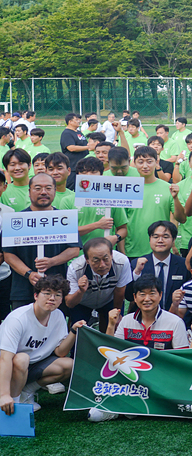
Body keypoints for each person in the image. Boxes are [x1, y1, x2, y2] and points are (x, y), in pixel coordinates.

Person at [0, 276, 84, 415]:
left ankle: (26, 393)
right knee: (22, 359)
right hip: (8, 367)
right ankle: (15, 403)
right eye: (47, 293)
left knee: (68, 365)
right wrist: (3, 395)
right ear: (35, 296)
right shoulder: (18, 319)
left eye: (57, 295)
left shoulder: (58, 315)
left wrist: (73, 331)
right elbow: (5, 359)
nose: (52, 298)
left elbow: (60, 352)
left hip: (32, 366)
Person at [2, 174, 82, 310]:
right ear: (29, 192)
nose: (43, 192)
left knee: (57, 328)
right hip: (23, 290)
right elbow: (8, 255)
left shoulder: (64, 219)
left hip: (56, 289)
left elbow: (74, 249)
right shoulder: (15, 220)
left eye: (48, 188)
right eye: (37, 188)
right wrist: (29, 274)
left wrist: (52, 261)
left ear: (55, 191)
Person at [65, 238, 132, 335]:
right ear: (87, 260)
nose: (102, 265)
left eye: (106, 259)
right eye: (96, 261)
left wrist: (116, 314)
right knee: (78, 332)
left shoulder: (122, 262)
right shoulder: (75, 268)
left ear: (112, 255)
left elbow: (119, 291)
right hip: (83, 302)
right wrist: (80, 291)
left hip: (109, 298)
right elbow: (69, 303)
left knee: (113, 332)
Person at [108, 273, 188, 351]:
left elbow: (182, 357)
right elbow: (113, 350)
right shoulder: (126, 321)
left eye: (152, 294)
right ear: (135, 297)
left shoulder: (176, 323)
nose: (147, 299)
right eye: (142, 294)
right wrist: (111, 325)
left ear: (160, 295)